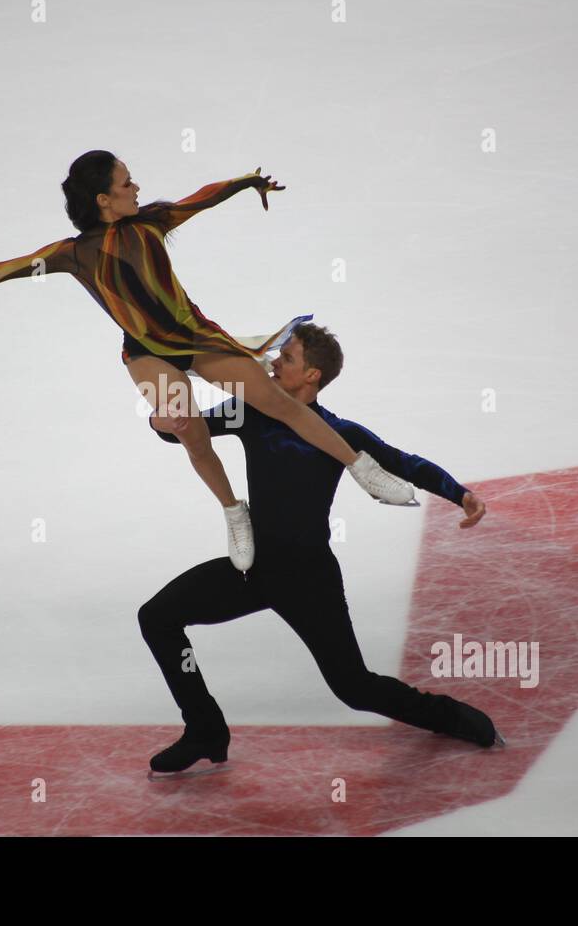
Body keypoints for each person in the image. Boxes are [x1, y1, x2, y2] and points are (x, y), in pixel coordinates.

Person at [0, 151, 416, 569]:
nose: (136, 187)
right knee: (183, 421)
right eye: (126, 183)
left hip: (197, 336)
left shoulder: (153, 221)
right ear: (103, 200)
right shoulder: (73, 254)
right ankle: (235, 511)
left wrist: (245, 182)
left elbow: (201, 198)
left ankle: (362, 470)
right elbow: (3, 267)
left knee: (277, 403)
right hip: (146, 352)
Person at [138, 322, 505, 776]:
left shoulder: (338, 433)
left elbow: (402, 463)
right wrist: (161, 419)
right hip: (252, 567)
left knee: (354, 687)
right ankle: (205, 730)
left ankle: (450, 716)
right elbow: (183, 430)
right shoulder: (253, 412)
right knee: (157, 617)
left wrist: (461, 494)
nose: (273, 362)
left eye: (286, 358)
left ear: (312, 376)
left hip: (308, 578)